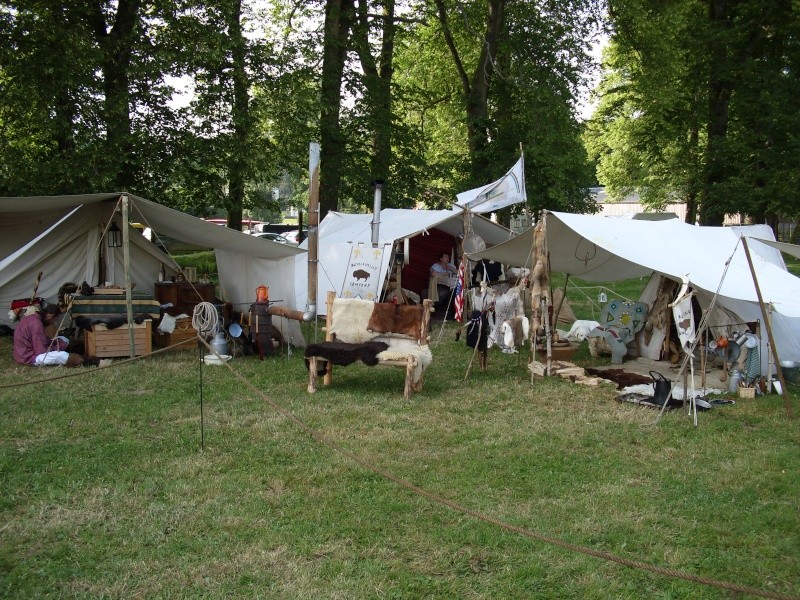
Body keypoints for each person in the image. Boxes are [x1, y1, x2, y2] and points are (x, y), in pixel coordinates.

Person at [12, 304, 97, 367]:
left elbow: (42, 340)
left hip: (24, 353)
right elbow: (41, 352)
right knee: (62, 355)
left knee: (62, 339)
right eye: (54, 320)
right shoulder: (36, 324)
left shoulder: (33, 318)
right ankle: (89, 361)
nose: (53, 322)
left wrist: (56, 342)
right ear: (51, 316)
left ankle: (78, 349)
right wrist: (58, 347)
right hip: (29, 357)